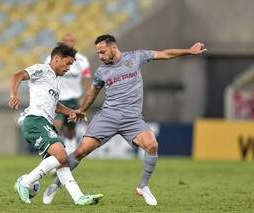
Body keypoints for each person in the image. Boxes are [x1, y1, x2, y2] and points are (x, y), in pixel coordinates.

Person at [42, 34, 207, 206]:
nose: (100, 56)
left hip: (132, 118)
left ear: (113, 48)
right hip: (108, 116)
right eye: (98, 53)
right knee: (80, 152)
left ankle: (143, 187)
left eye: (103, 52)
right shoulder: (101, 72)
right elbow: (93, 92)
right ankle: (56, 184)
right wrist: (81, 110)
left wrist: (189, 51)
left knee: (152, 145)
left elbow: (165, 54)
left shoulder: (136, 57)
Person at [8, 42, 103, 205]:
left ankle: (78, 197)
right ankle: (25, 182)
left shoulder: (55, 82)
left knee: (62, 161)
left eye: (71, 65)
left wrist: (71, 112)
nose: (68, 68)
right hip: (35, 120)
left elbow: (55, 105)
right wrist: (13, 95)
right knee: (61, 155)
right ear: (57, 59)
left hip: (44, 122)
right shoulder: (43, 70)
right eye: (67, 63)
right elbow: (18, 75)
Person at [44, 33, 91, 154]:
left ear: (74, 43)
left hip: (74, 99)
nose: (68, 43)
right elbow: (46, 78)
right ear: (62, 42)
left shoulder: (82, 60)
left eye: (71, 41)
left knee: (70, 131)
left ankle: (69, 155)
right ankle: (54, 155)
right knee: (56, 126)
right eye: (66, 41)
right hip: (57, 98)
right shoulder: (51, 58)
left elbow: (86, 80)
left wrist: (85, 99)